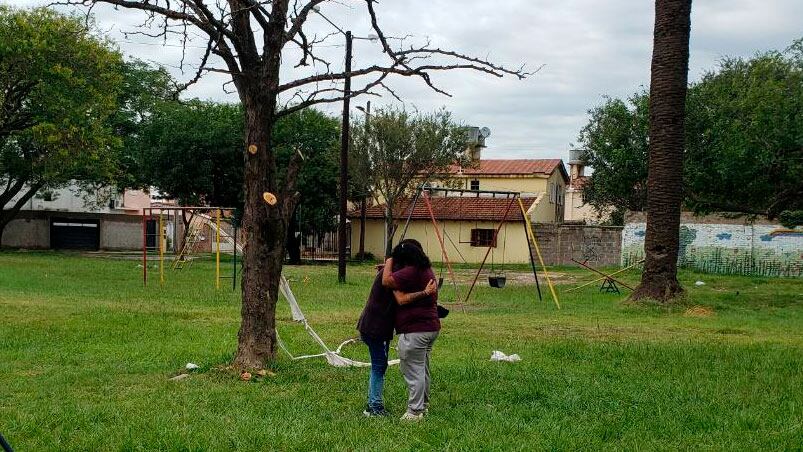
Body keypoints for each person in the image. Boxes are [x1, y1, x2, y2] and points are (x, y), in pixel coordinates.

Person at [356, 239, 436, 417]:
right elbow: (400, 298)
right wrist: (425, 292)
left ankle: (375, 405)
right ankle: (373, 407)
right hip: (374, 327)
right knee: (379, 366)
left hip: (379, 327)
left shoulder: (397, 271)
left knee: (381, 365)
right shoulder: (396, 274)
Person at [382, 241, 440, 421]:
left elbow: (387, 281)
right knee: (422, 369)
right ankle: (423, 406)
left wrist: (389, 261)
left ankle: (414, 412)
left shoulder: (411, 271)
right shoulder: (425, 269)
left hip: (416, 329)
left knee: (413, 370)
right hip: (430, 327)